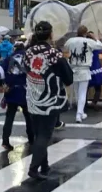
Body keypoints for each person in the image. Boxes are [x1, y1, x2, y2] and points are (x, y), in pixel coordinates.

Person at [25, 21, 73, 180]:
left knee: (39, 134)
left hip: (32, 98)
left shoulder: (29, 52)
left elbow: (25, 69)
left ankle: (44, 165)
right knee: (45, 135)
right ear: (51, 34)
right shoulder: (54, 54)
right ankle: (33, 168)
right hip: (50, 100)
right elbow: (68, 78)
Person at [0, 41, 32, 150]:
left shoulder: (9, 58)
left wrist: (1, 84)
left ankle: (5, 141)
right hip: (25, 89)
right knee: (28, 116)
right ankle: (31, 138)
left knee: (9, 117)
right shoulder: (28, 57)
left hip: (11, 90)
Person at [64, 26, 102, 122]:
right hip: (84, 69)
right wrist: (94, 37)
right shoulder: (88, 42)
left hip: (73, 69)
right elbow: (100, 46)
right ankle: (79, 114)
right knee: (82, 93)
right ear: (86, 33)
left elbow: (65, 48)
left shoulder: (70, 41)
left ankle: (80, 113)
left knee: (77, 93)